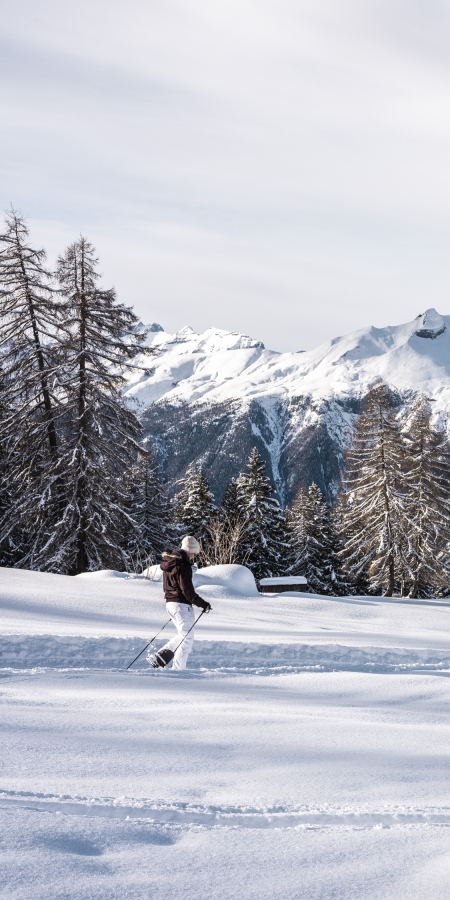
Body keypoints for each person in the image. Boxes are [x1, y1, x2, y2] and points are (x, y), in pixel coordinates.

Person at [147, 535, 211, 670]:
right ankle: (177, 669)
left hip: (170, 604)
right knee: (187, 638)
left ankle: (160, 657)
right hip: (181, 605)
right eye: (194, 553)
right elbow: (187, 590)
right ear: (190, 551)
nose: (194, 557)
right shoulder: (183, 565)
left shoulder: (170, 563)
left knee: (184, 635)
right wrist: (203, 604)